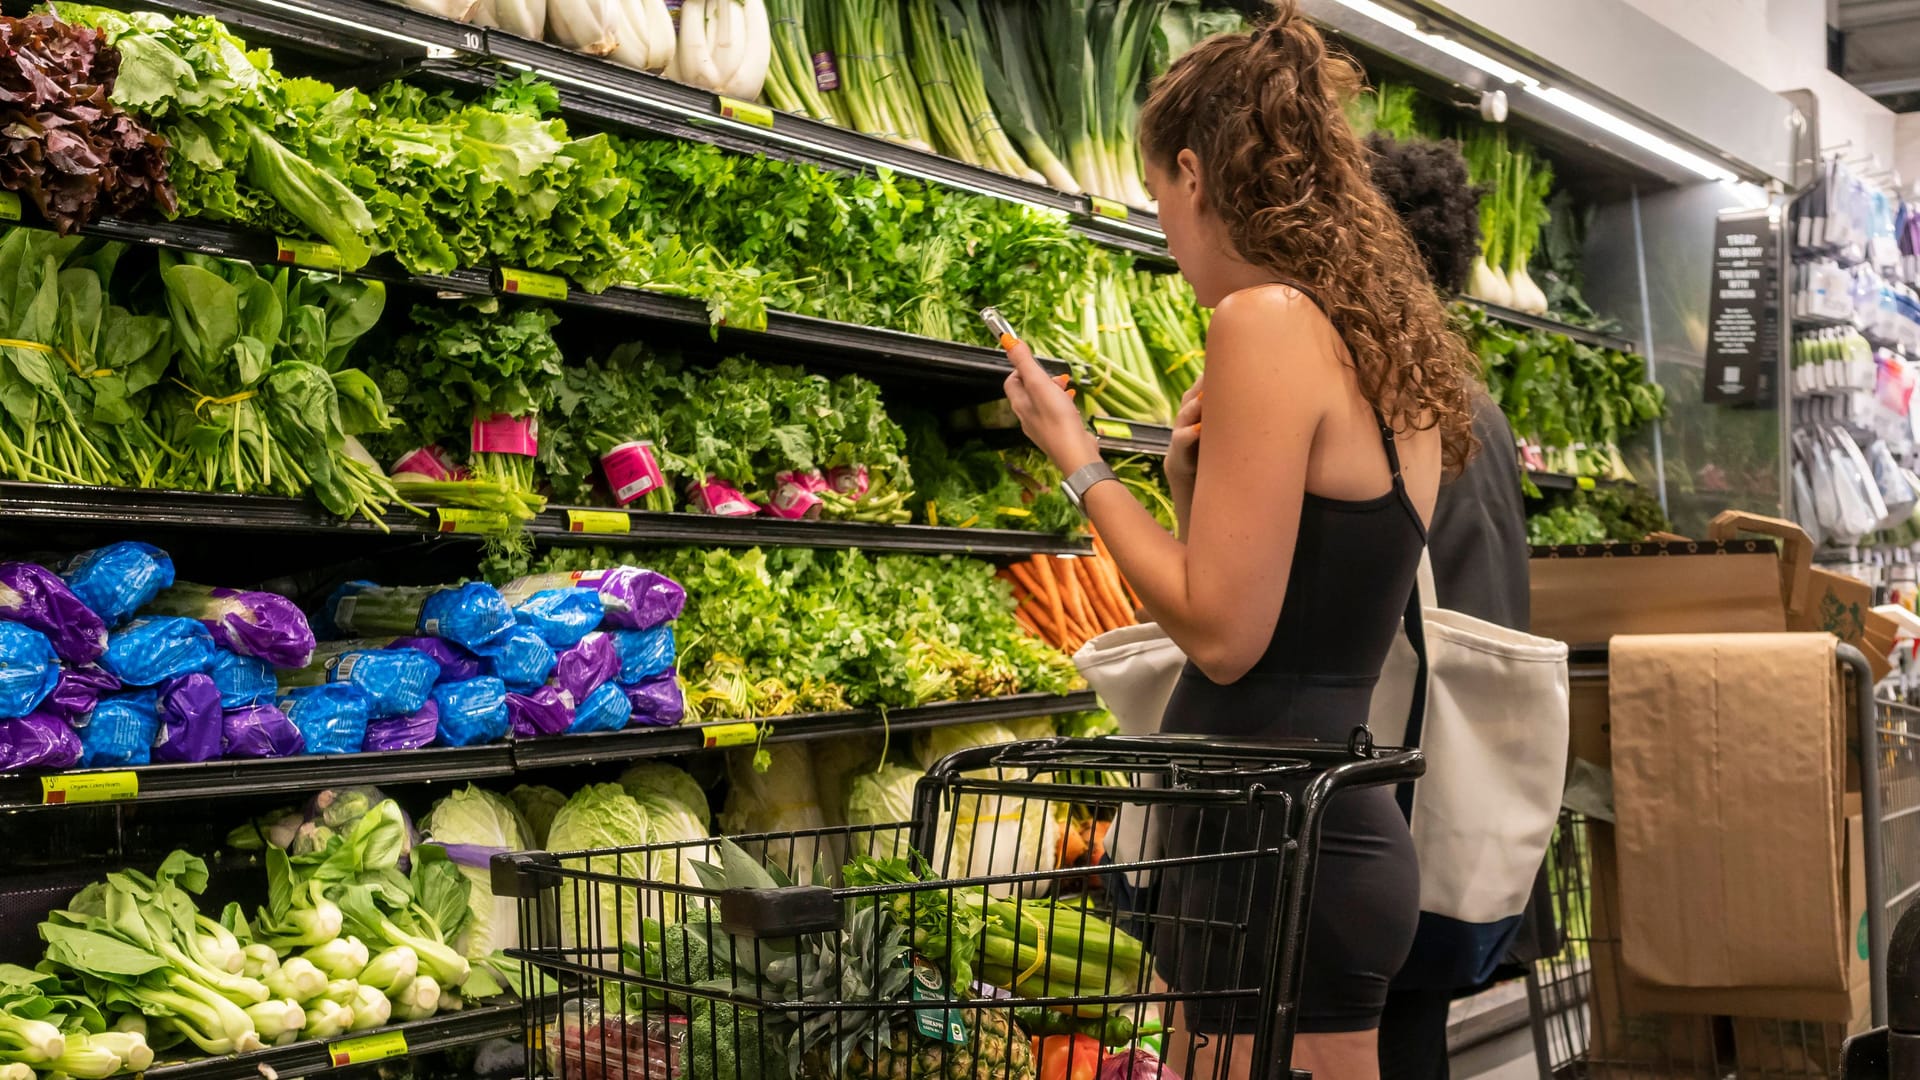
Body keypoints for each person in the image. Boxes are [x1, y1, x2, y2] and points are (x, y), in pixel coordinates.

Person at [999, 4, 1481, 1077]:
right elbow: (1300, 598)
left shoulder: (1262, 320)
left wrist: (1080, 462)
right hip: (1315, 829)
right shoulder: (1374, 341)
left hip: (1269, 851)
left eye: (1158, 194)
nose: (1163, 226)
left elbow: (1223, 635)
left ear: (1193, 170)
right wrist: (1184, 488)